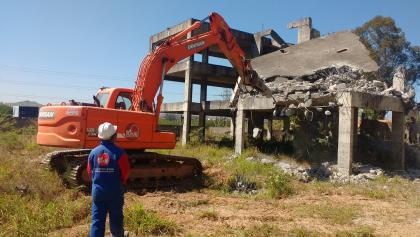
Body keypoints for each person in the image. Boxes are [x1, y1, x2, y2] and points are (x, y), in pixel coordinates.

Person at [87, 122, 130, 237]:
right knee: (116, 219)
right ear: (114, 137)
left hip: (98, 192)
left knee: (97, 221)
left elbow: (90, 171)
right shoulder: (120, 153)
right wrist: (120, 182)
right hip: (114, 192)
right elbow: (125, 173)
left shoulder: (93, 153)